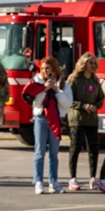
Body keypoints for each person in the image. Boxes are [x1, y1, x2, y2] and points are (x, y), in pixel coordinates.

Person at [24, 56, 71, 194]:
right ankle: (38, 181)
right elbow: (35, 103)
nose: (45, 71)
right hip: (41, 119)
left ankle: (53, 181)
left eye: (48, 68)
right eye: (43, 69)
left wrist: (57, 91)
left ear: (53, 69)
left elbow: (67, 104)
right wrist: (44, 90)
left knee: (54, 154)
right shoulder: (37, 82)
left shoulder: (62, 83)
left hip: (56, 121)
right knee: (39, 152)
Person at [65, 52, 105, 192]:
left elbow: (101, 98)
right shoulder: (74, 80)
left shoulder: (95, 81)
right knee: (75, 148)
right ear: (83, 64)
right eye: (91, 63)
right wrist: (83, 106)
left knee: (93, 149)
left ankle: (93, 178)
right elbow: (68, 99)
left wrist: (96, 105)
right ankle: (72, 179)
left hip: (92, 120)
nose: (93, 66)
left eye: (95, 63)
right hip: (77, 119)